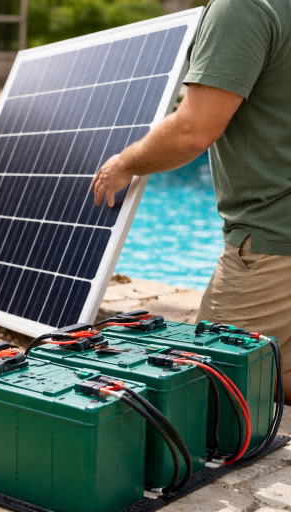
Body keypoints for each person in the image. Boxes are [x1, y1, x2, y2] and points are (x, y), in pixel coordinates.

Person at [90, 0, 291, 399]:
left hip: (275, 237)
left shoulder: (244, 7)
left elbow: (193, 131)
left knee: (207, 380)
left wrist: (125, 162)